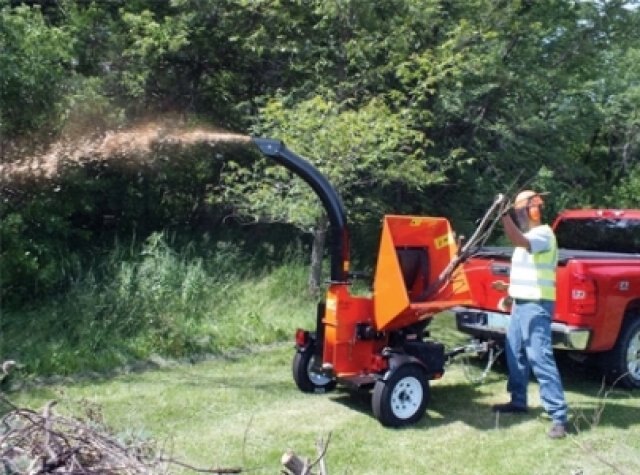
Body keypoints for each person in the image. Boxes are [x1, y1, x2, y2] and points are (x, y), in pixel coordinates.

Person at [491, 190, 569, 439]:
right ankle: (518, 401)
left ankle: (558, 416)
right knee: (514, 352)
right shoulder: (528, 236)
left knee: (539, 357)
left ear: (532, 210)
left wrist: (502, 215)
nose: (517, 215)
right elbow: (528, 272)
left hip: (536, 305)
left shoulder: (543, 234)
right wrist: (510, 292)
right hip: (521, 303)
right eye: (514, 212)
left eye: (518, 211)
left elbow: (519, 242)